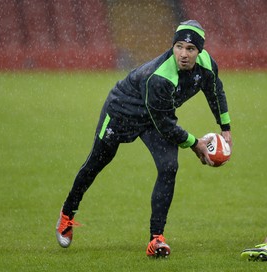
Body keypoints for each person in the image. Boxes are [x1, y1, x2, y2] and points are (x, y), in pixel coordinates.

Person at [55, 20, 232, 257]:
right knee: (96, 164)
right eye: (179, 46)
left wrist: (226, 127)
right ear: (173, 47)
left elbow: (215, 92)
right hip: (121, 112)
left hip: (153, 118)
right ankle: (67, 214)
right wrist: (196, 144)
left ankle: (156, 239)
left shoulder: (207, 65)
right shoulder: (159, 77)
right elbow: (166, 125)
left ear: (199, 51)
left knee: (169, 166)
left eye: (190, 49)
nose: (184, 54)